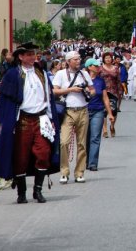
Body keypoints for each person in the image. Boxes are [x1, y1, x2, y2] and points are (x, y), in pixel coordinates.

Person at [0, 42, 60, 204]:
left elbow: (48, 97)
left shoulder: (42, 73)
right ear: (21, 57)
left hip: (41, 118)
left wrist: (51, 119)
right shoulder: (12, 75)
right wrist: (5, 125)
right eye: (29, 54)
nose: (32, 57)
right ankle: (21, 192)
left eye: (34, 54)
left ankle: (38, 190)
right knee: (21, 156)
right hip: (22, 120)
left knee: (43, 153)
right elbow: (5, 103)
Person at [53, 50, 93, 184]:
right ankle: (64, 171)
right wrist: (71, 89)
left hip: (82, 110)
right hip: (67, 111)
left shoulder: (84, 73)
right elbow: (54, 91)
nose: (78, 61)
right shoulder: (60, 74)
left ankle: (79, 172)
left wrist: (88, 92)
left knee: (81, 143)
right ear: (68, 61)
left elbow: (93, 90)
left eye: (79, 59)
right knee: (64, 142)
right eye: (75, 59)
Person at [84, 58, 114, 170]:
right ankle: (85, 161)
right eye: (95, 66)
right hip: (84, 111)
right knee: (85, 138)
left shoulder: (100, 81)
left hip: (98, 110)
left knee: (95, 137)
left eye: (98, 66)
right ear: (89, 67)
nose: (98, 67)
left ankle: (92, 163)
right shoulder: (82, 79)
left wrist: (110, 113)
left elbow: (105, 98)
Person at [99, 52, 122, 138]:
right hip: (103, 91)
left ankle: (112, 126)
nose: (108, 59)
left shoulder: (116, 68)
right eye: (106, 58)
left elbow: (119, 80)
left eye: (109, 58)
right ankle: (104, 129)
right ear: (103, 59)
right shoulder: (100, 69)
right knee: (104, 111)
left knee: (114, 110)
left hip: (114, 91)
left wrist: (120, 91)